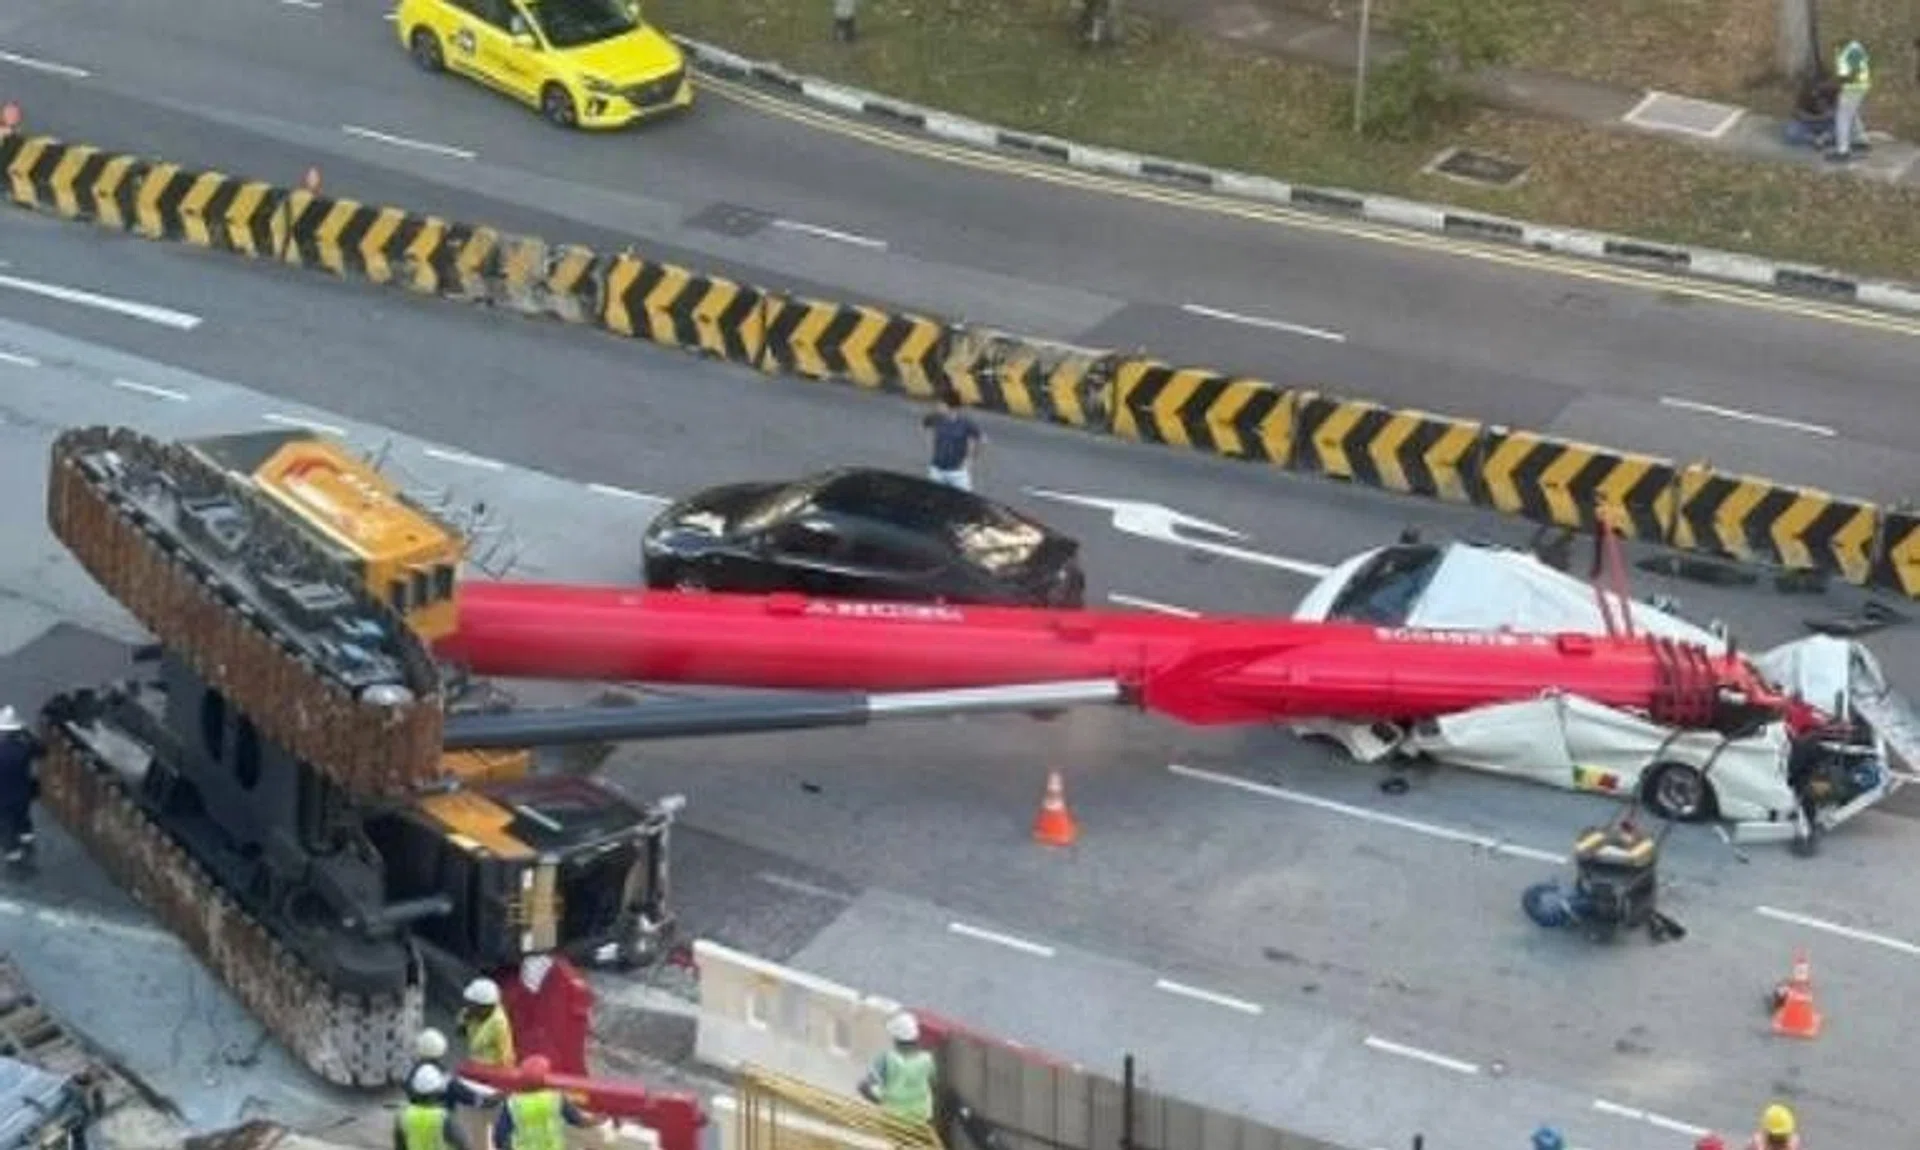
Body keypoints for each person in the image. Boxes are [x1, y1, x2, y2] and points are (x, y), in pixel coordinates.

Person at [493, 1056, 601, 1150]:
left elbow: (499, 1139)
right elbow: (580, 1122)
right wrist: (601, 1118)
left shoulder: (512, 1104)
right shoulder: (556, 1098)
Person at [858, 1011, 936, 1124]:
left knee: (862, 1086)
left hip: (894, 1119)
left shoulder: (886, 1059)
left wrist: (880, 1101)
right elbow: (933, 1084)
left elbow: (866, 1086)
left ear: (895, 1039)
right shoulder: (927, 1059)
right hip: (921, 1118)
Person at [0, 706, 43, 876]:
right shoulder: (23, 747)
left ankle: (15, 861)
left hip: (2, 797)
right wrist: (28, 735)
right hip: (23, 794)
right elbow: (42, 751)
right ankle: (28, 845)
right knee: (23, 820)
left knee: (6, 828)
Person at [395, 1064, 474, 1150]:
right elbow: (464, 1145)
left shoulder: (403, 1116)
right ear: (436, 1091)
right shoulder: (443, 1119)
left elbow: (400, 1146)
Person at [411, 1028, 492, 1109]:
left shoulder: (414, 1071)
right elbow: (455, 1088)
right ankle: (479, 1101)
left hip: (413, 1114)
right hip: (439, 1114)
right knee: (453, 1087)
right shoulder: (440, 1071)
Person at [922, 395, 983, 492]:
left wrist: (970, 459)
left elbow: (977, 439)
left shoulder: (966, 423)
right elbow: (926, 426)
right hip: (937, 469)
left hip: (957, 471)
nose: (938, 406)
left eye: (941, 404)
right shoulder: (935, 418)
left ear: (951, 407)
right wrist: (931, 446)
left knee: (965, 499)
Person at [1829, 39, 1871, 160]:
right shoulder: (1856, 47)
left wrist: (1838, 83)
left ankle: (1842, 150)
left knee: (1842, 117)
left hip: (1852, 87)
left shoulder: (1851, 50)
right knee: (1852, 113)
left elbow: (1851, 72)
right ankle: (1861, 139)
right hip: (1861, 85)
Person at [460, 978, 516, 1068]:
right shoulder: (471, 1014)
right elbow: (462, 1032)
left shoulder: (498, 1024)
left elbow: (505, 1059)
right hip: (476, 1061)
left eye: (472, 1004)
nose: (467, 1007)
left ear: (484, 1007)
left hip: (492, 1068)